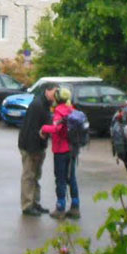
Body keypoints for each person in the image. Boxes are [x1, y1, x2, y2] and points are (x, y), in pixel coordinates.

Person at [40, 87, 81, 219]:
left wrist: (44, 128)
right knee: (71, 178)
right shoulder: (72, 110)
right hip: (72, 149)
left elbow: (56, 128)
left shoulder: (59, 111)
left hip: (61, 150)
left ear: (57, 99)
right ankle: (75, 207)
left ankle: (60, 208)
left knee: (60, 179)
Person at [18, 82, 56, 216]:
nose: (56, 95)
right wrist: (33, 150)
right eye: (54, 92)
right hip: (30, 146)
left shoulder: (46, 105)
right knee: (29, 175)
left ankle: (35, 202)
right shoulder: (37, 105)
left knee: (36, 175)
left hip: (39, 145)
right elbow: (31, 129)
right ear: (47, 91)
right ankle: (27, 205)